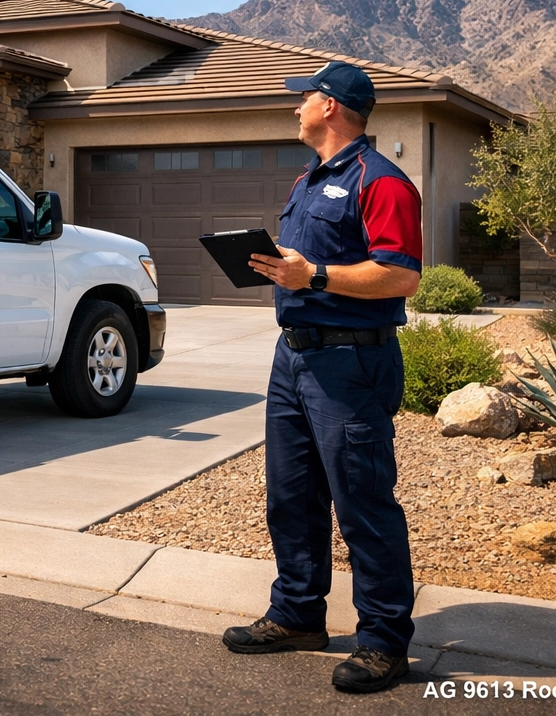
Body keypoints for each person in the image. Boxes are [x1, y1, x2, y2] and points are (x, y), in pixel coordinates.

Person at [223, 60, 422, 695]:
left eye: (303, 98)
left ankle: (384, 643)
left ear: (331, 106)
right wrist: (285, 269)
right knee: (291, 494)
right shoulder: (309, 180)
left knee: (362, 500)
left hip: (351, 360)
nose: (295, 106)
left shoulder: (382, 181)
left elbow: (400, 276)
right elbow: (308, 264)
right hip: (296, 356)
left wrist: (315, 276)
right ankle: (299, 615)